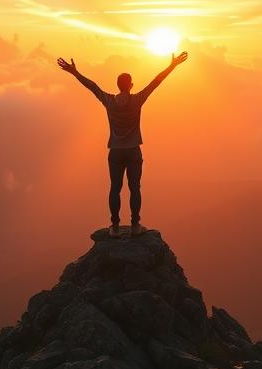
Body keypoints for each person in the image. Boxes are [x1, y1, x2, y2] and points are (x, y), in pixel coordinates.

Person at [57, 51, 189, 237]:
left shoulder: (109, 100)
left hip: (115, 152)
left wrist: (74, 72)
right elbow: (156, 82)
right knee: (135, 188)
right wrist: (173, 65)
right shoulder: (137, 100)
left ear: (118, 86)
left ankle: (115, 227)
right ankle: (135, 225)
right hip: (134, 150)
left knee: (115, 188)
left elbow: (92, 86)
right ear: (131, 85)